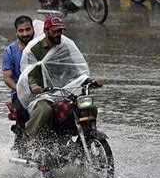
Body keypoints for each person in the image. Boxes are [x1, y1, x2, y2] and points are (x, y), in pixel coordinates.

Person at [16, 16, 102, 146]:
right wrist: (35, 87)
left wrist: (89, 80)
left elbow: (74, 69)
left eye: (60, 31)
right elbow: (30, 73)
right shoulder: (35, 49)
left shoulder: (64, 47)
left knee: (89, 107)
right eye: (55, 31)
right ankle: (29, 141)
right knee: (45, 110)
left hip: (62, 90)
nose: (58, 34)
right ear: (46, 31)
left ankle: (85, 137)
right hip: (41, 94)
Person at [2, 15, 35, 151]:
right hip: (20, 94)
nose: (25, 33)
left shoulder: (40, 46)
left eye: (28, 29)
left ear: (33, 29)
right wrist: (20, 90)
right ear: (16, 32)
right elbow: (7, 78)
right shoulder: (10, 52)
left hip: (43, 90)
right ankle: (22, 142)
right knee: (22, 110)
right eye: (21, 31)